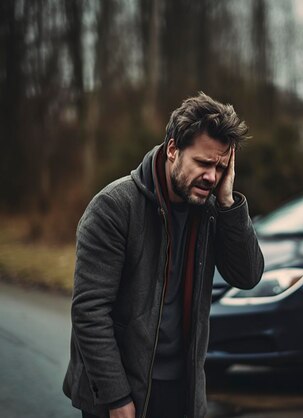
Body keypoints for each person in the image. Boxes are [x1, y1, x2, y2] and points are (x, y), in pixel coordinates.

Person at [62, 93, 264, 418]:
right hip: (122, 388)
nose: (212, 176)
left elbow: (248, 275)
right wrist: (116, 397)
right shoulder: (114, 207)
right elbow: (89, 311)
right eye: (203, 163)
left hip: (183, 388)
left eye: (220, 166)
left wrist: (228, 202)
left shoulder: (211, 208)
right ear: (173, 149)